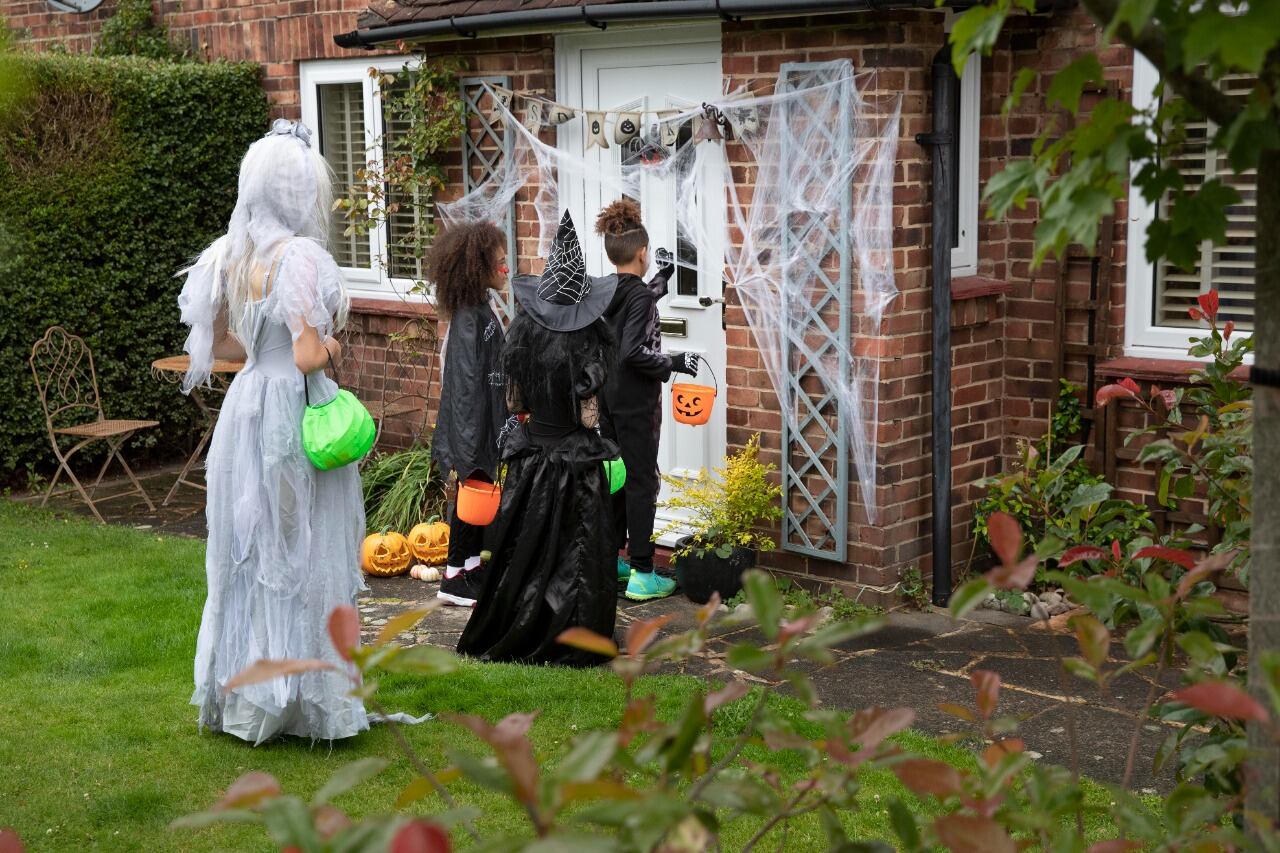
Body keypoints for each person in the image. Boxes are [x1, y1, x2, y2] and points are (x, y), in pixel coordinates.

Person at [178, 119, 367, 744]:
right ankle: (303, 701)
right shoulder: (300, 257)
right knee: (301, 545)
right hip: (290, 408)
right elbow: (309, 355)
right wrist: (332, 344)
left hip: (248, 403)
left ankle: (249, 698)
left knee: (253, 548)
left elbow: (225, 346)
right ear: (297, 191)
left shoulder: (234, 255)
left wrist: (267, 351)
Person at [456, 211, 620, 666]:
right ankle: (573, 633)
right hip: (573, 461)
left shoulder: (523, 338)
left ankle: (518, 623)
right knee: (576, 551)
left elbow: (515, 404)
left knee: (523, 548)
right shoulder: (588, 350)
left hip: (532, 458)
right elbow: (588, 418)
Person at [595, 199, 699, 602]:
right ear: (642, 252)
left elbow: (634, 303)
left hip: (608, 397)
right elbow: (632, 351)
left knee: (618, 476)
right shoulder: (636, 295)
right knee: (642, 481)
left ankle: (612, 560)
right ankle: (642, 571)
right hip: (636, 400)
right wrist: (674, 362)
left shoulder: (607, 289)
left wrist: (662, 278)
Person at [425, 222, 509, 607]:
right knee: (468, 498)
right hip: (470, 427)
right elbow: (464, 384)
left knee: (478, 497)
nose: (505, 264)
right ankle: (453, 576)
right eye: (499, 258)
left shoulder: (480, 308)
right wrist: (468, 441)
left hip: (483, 423)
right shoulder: (468, 319)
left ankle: (471, 567)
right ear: (478, 266)